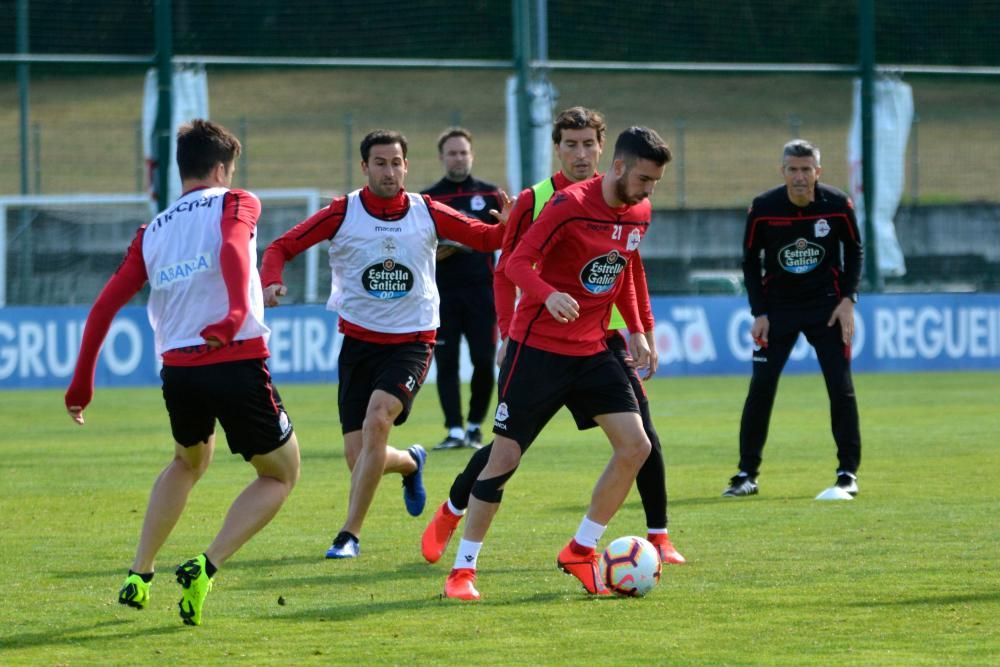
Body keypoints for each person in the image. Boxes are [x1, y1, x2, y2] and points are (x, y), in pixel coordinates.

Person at [421, 107, 685, 569]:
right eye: (571, 145)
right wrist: (509, 328)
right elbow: (509, 267)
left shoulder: (636, 205)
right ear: (557, 148)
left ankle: (646, 537)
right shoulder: (540, 200)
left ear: (604, 150)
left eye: (588, 145)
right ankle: (454, 510)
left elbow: (625, 268)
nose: (581, 154)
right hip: (538, 338)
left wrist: (640, 330)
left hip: (599, 340)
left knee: (641, 438)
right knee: (506, 450)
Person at [64, 119, 301, 626]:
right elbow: (235, 250)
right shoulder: (236, 201)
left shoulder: (153, 231)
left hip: (179, 370)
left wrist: (82, 381)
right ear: (221, 168)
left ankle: (139, 572)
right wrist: (238, 314)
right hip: (234, 357)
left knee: (187, 462)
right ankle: (205, 564)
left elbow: (105, 306)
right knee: (281, 474)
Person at [260, 129, 508, 559]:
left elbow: (486, 240)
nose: (389, 171)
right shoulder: (342, 212)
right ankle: (411, 462)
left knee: (378, 420)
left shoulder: (427, 211)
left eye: (396, 163)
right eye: (380, 163)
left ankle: (348, 535)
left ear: (407, 166)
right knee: (360, 460)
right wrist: (272, 281)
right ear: (364, 168)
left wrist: (510, 224)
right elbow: (281, 246)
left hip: (412, 340)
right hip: (357, 343)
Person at [723, 139, 863, 499]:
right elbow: (750, 262)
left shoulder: (837, 204)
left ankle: (847, 473)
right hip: (779, 310)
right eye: (793, 169)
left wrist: (848, 299)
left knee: (840, 387)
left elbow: (855, 250)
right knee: (761, 388)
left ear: (818, 171)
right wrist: (760, 312)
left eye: (806, 169)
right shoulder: (764, 208)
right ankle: (745, 474)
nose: (800, 177)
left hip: (827, 309)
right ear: (782, 171)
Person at [421, 128, 503, 450]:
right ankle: (454, 429)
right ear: (442, 157)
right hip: (441, 296)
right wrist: (438, 250)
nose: (458, 158)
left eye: (463, 152)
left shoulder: (492, 195)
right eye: (452, 153)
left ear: (472, 155)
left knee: (484, 360)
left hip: (483, 295)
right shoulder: (428, 200)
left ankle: (474, 426)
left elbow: (508, 240)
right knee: (447, 362)